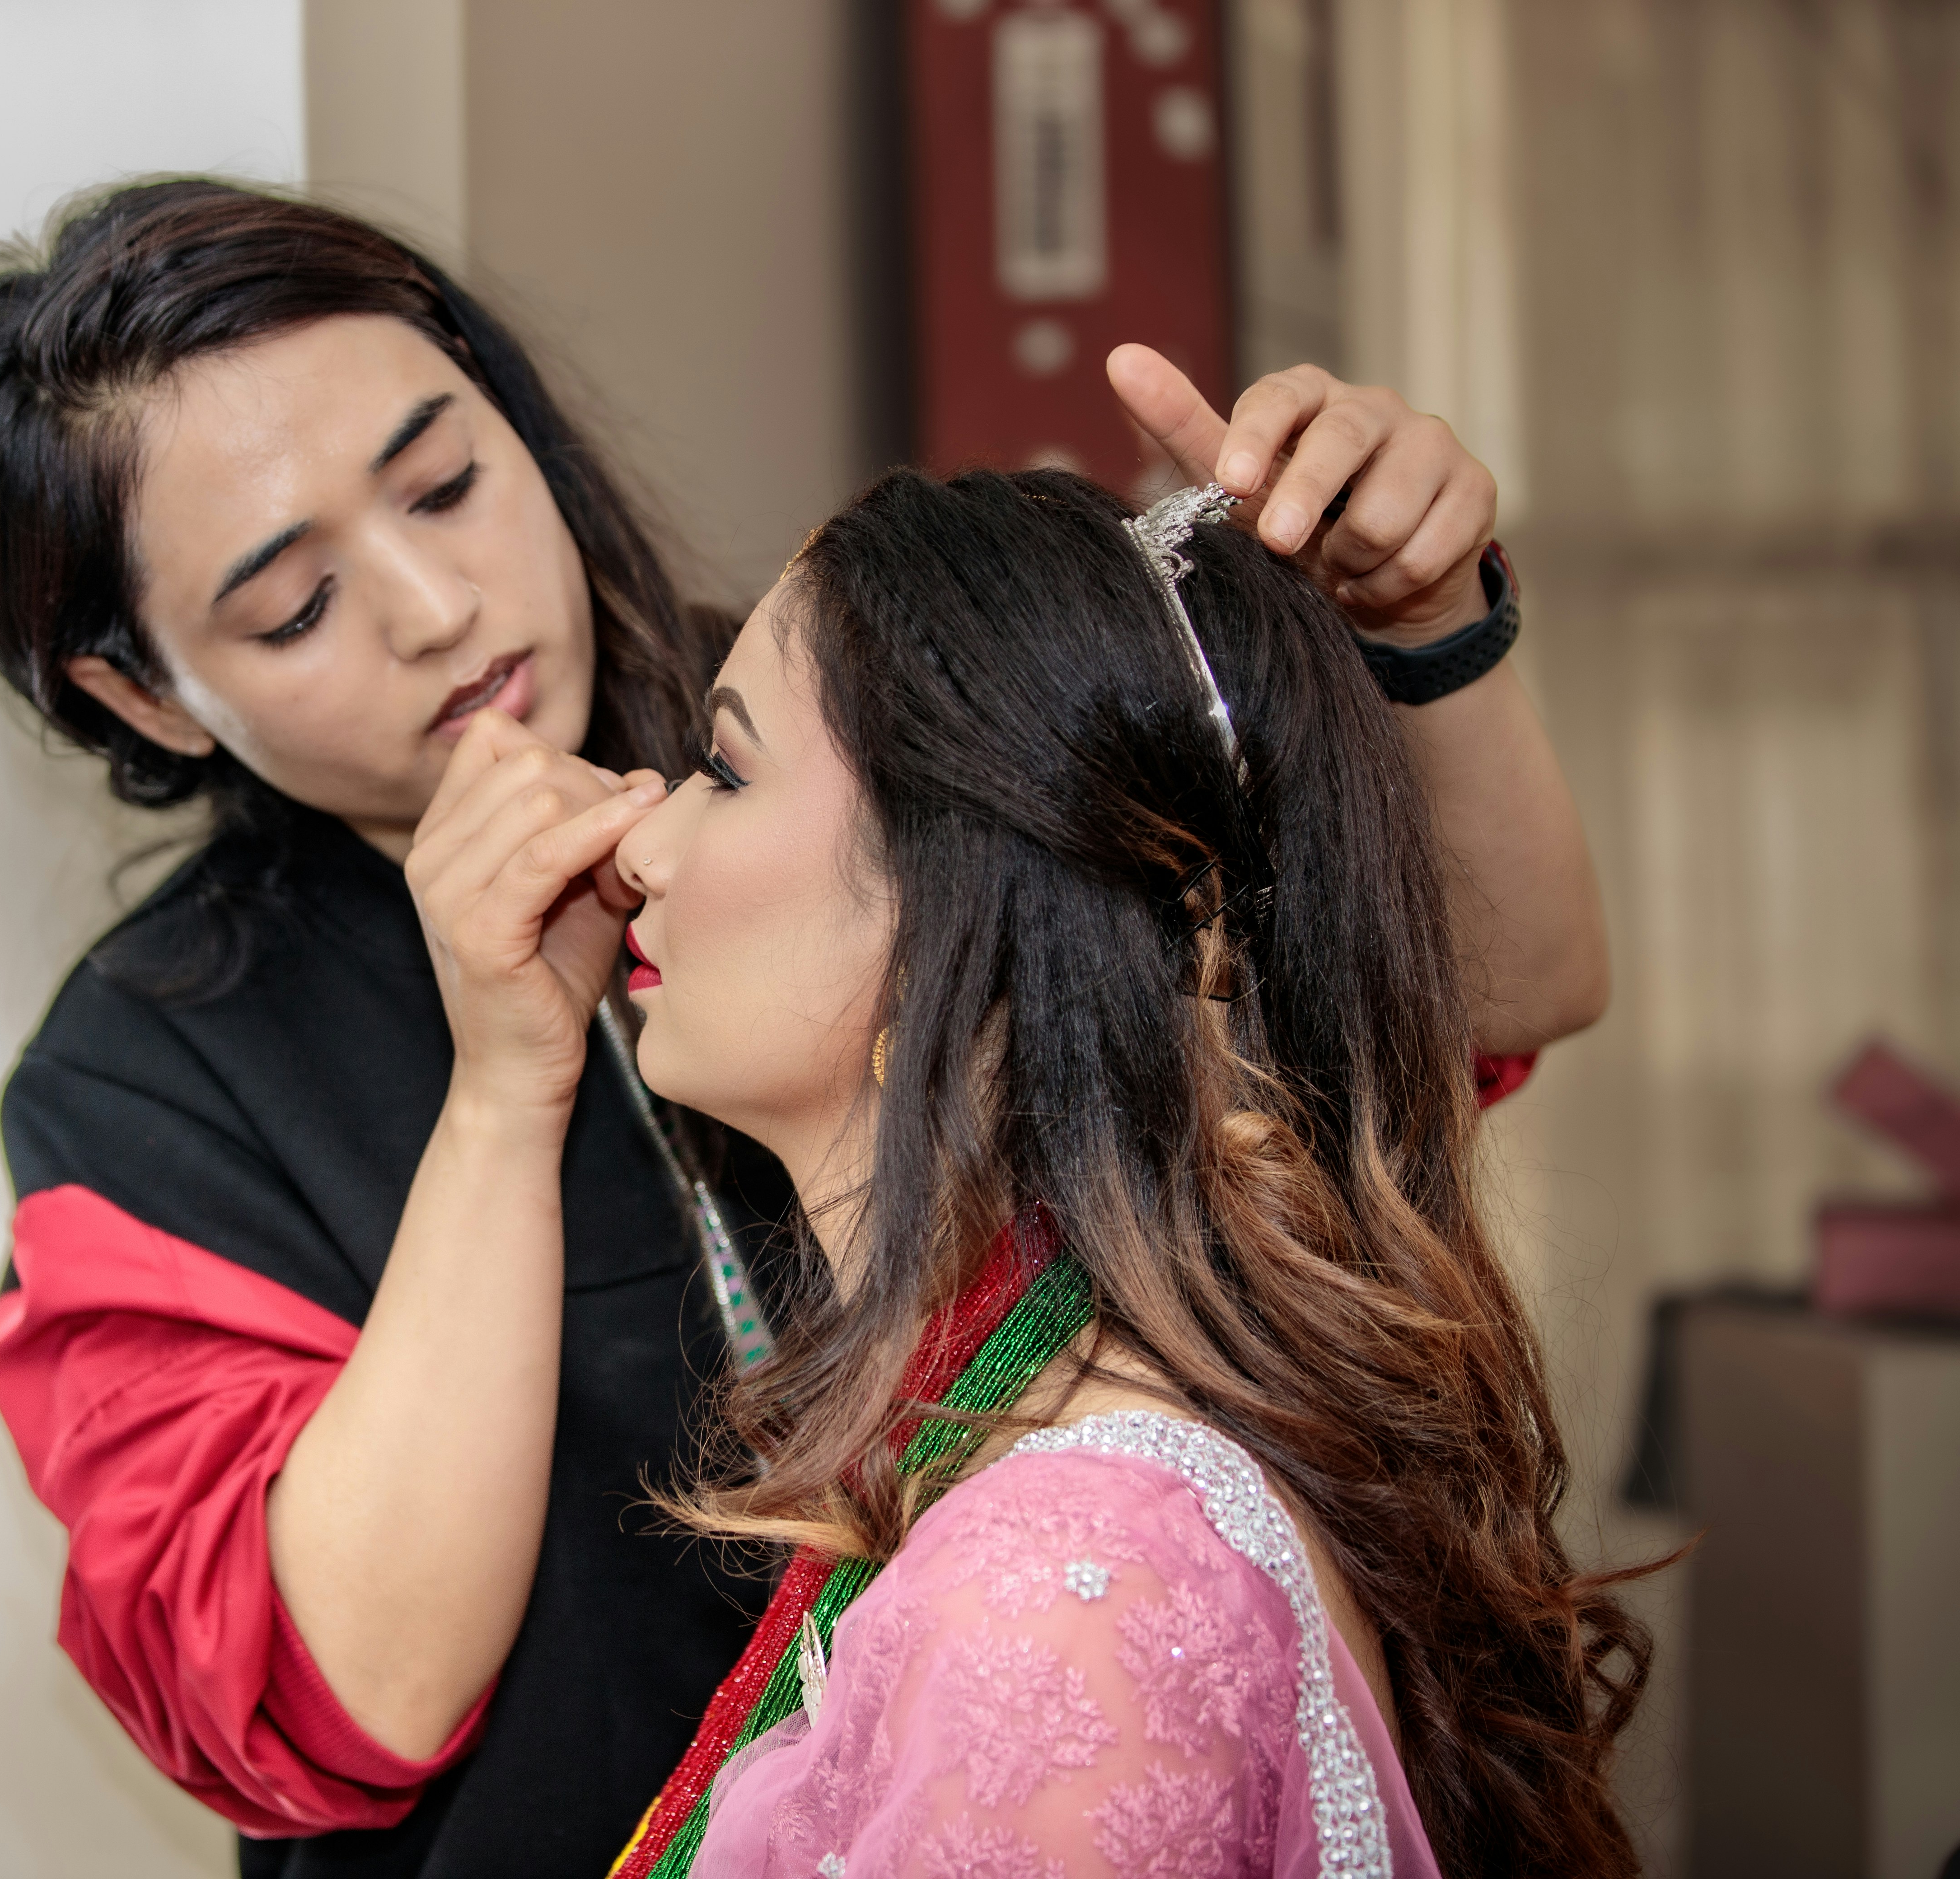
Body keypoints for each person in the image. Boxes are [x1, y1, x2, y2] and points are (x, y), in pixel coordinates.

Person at [0, 179, 1606, 1879]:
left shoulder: (833, 735)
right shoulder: (141, 1089)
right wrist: (504, 1100)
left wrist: (1423, 636)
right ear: (141, 692)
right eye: (291, 608)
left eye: (447, 482)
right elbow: (353, 1690)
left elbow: (1424, 1002)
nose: (436, 608)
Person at [594, 467, 1648, 1879]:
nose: (641, 844)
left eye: (726, 771)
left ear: (959, 893)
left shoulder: (1057, 1596)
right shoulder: (1057, 1450)